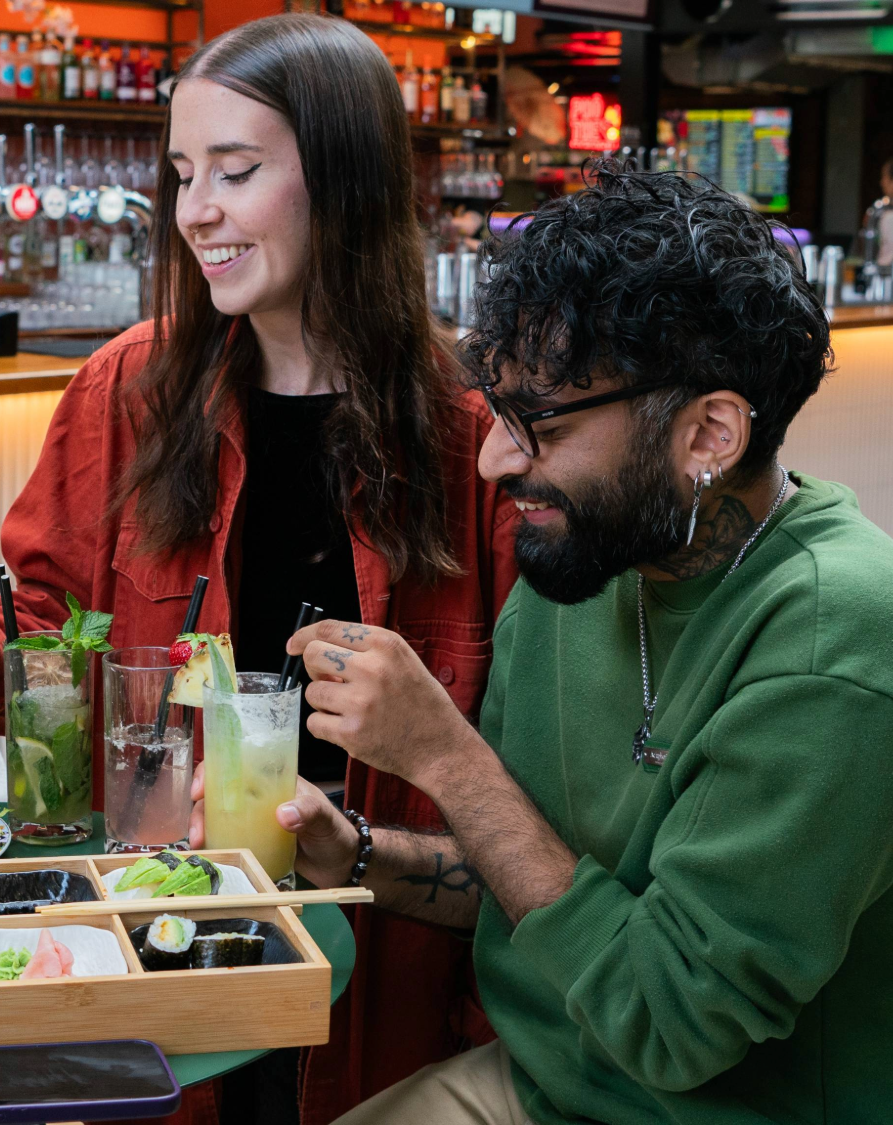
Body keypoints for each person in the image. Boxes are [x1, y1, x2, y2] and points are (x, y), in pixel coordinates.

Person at [0, 14, 518, 1124]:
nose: (195, 210)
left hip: (387, 966)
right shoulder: (129, 390)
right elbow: (46, 632)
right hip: (157, 935)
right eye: (184, 173)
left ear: (345, 178)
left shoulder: (476, 433)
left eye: (235, 172)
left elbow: (527, 781)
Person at [239, 164, 893, 1123]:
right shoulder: (586, 559)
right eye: (497, 412)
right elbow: (536, 876)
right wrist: (361, 853)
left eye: (537, 420)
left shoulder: (834, 646)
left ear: (709, 432)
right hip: (545, 1084)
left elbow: (669, 1025)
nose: (499, 458)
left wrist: (444, 756)